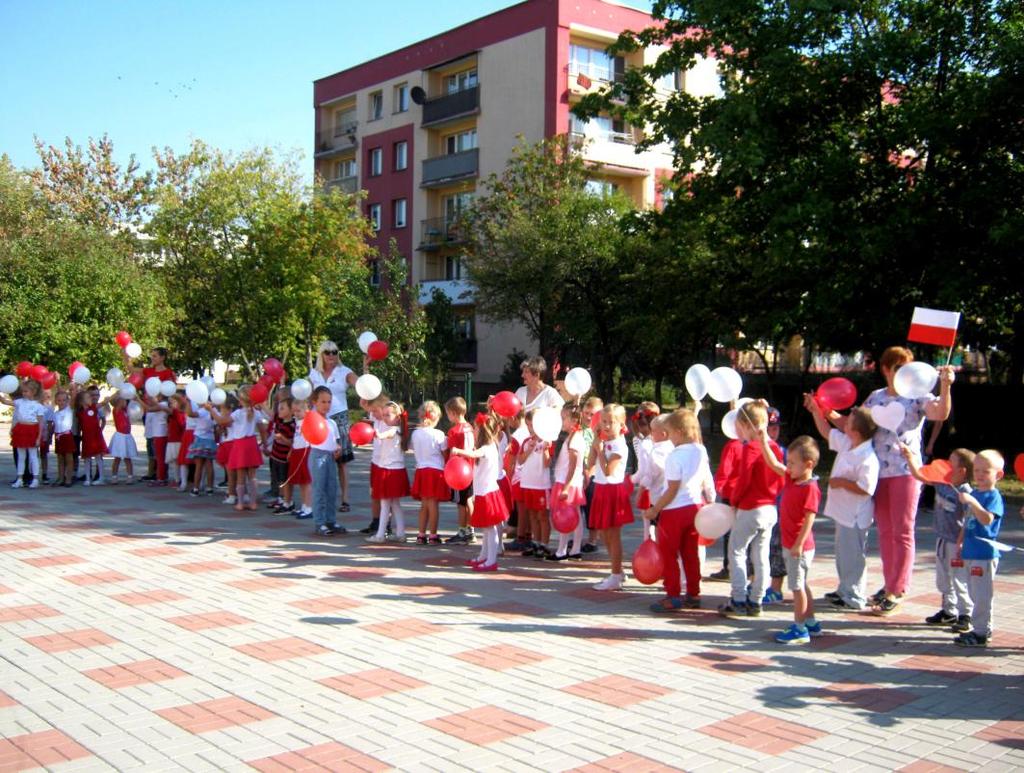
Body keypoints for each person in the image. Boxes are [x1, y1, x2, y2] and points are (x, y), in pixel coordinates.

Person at [851, 347, 954, 614]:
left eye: (907, 367)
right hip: (878, 473)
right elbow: (855, 424)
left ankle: (898, 588)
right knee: (885, 531)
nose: (902, 373)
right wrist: (823, 412)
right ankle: (889, 585)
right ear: (886, 369)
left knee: (903, 531)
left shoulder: (918, 397)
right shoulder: (876, 397)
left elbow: (940, 413)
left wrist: (945, 386)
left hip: (906, 473)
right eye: (897, 368)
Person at [806, 401, 880, 611]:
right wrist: (816, 412)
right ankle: (844, 589)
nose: (845, 423)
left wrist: (841, 483)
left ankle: (855, 595)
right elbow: (827, 432)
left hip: (856, 514)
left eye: (850, 421)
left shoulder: (867, 457)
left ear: (856, 430)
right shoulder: (849, 443)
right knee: (843, 552)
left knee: (854, 554)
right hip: (843, 511)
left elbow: (867, 488)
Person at [755, 432, 823, 644]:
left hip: (798, 547)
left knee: (796, 588)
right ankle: (811, 622)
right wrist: (763, 441)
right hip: (791, 545)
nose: (789, 466)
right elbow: (773, 463)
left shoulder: (810, 487)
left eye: (793, 463)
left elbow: (809, 519)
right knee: (802, 584)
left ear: (809, 464)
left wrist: (798, 544)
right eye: (789, 462)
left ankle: (800, 628)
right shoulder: (792, 479)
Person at [645, 409, 715, 611]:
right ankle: (693, 593)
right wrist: (711, 499)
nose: (669, 439)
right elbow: (706, 478)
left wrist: (655, 509)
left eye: (670, 433)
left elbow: (672, 489)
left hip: (673, 511)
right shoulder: (701, 451)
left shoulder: (674, 456)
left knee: (668, 554)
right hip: (694, 508)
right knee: (690, 553)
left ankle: (673, 595)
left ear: (678, 431)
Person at [718, 402, 783, 619]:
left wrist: (734, 500)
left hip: (750, 507)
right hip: (770, 507)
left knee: (736, 551)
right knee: (761, 555)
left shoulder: (751, 448)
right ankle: (756, 601)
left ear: (746, 425)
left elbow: (744, 479)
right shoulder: (773, 447)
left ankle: (737, 599)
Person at [902, 446, 975, 630]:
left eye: (951, 463)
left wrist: (961, 542)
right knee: (943, 578)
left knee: (959, 578)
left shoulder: (965, 493)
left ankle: (966, 614)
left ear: (961, 471)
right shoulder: (943, 482)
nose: (945, 465)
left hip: (956, 543)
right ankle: (948, 611)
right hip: (942, 539)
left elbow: (969, 520)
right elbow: (920, 476)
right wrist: (910, 457)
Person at [953, 450, 1005, 648]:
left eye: (986, 471)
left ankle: (982, 632)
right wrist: (960, 541)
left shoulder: (993, 496)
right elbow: (968, 520)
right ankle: (979, 628)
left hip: (984, 554)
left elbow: (986, 519)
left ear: (998, 475)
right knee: (974, 592)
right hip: (970, 551)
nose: (980, 475)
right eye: (977, 470)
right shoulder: (974, 493)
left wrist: (973, 502)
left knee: (982, 594)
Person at [307, 340, 364, 515]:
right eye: (328, 352)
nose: (331, 355)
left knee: (341, 461)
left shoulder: (343, 371)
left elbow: (360, 384)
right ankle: (319, 498)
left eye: (335, 352)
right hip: (319, 419)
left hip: (339, 417)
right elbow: (308, 396)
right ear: (321, 354)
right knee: (321, 458)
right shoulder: (314, 374)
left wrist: (365, 368)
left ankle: (345, 499)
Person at [451, 412, 509, 572]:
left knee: (490, 529)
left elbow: (473, 454)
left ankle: (491, 561)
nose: (473, 431)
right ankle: (484, 556)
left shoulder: (488, 448)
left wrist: (458, 451)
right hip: (484, 493)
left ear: (482, 431)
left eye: (475, 428)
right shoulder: (487, 447)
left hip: (489, 494)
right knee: (487, 529)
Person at [587, 404, 634, 590]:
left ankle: (615, 577)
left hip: (612, 490)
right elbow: (590, 463)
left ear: (621, 423)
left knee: (613, 535)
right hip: (601, 488)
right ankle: (618, 571)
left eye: (611, 422)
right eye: (603, 421)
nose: (606, 426)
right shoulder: (604, 440)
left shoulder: (619, 445)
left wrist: (600, 451)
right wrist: (595, 444)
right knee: (604, 533)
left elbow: (608, 470)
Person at [366, 401, 410, 544]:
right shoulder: (397, 429)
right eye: (383, 414)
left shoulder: (394, 429)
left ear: (397, 417)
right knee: (394, 504)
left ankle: (380, 535)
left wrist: (378, 434)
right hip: (393, 470)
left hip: (391, 471)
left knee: (386, 503)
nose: (384, 417)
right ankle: (401, 533)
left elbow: (387, 434)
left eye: (388, 415)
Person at [548, 404, 587, 561]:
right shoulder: (573, 437)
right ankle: (573, 549)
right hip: (568, 481)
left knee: (567, 515)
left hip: (567, 482)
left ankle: (563, 550)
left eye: (564, 418)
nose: (561, 421)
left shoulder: (575, 439)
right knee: (574, 515)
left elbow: (572, 466)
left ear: (574, 420)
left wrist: (566, 487)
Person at [708, 430, 745, 582]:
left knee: (729, 533)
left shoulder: (733, 445)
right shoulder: (752, 444)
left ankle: (729, 568)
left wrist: (719, 487)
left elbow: (725, 470)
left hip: (731, 494)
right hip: (745, 495)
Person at [411, 401, 449, 545]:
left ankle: (421, 534)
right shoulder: (439, 434)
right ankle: (433, 534)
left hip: (421, 470)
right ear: (437, 417)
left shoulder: (415, 433)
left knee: (424, 504)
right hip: (435, 471)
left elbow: (413, 449)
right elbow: (445, 453)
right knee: (433, 504)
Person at [309, 386, 345, 536]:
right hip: (317, 456)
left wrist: (338, 448)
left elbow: (335, 440)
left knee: (332, 489)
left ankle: (331, 520)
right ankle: (319, 522)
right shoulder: (312, 420)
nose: (326, 405)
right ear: (315, 402)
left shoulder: (332, 423)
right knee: (319, 490)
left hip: (330, 457)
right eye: (323, 401)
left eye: (329, 402)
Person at [517, 410, 553, 558]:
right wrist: (529, 450)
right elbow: (520, 460)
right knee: (532, 514)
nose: (531, 428)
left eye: (533, 425)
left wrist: (545, 450)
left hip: (541, 484)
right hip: (528, 482)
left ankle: (544, 544)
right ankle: (536, 543)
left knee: (543, 515)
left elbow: (547, 463)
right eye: (528, 425)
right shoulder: (527, 441)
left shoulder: (547, 441)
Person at [1, 379, 46, 488]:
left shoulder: (38, 406)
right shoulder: (19, 402)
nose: (24, 393)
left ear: (33, 391)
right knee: (21, 456)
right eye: (23, 391)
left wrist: (39, 437)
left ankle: (35, 479)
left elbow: (40, 423)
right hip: (21, 429)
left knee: (33, 455)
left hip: (32, 430)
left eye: (26, 391)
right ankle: (20, 478)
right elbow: (5, 401)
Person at [444, 396, 476, 544]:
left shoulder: (454, 431)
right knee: (469, 499)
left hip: (459, 471)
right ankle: (471, 529)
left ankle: (462, 531)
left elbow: (451, 452)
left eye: (448, 413)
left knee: (461, 502)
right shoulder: (471, 427)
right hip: (471, 468)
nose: (448, 416)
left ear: (453, 413)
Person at [579, 396, 604, 554]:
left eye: (592, 414)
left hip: (594, 474)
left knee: (592, 508)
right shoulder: (580, 429)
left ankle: (593, 539)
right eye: (586, 413)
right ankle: (578, 538)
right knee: (580, 507)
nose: (589, 417)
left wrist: (590, 472)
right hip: (580, 471)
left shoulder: (601, 431)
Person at [283, 398, 313, 520]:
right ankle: (304, 505)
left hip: (306, 451)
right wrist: (291, 450)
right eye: (294, 411)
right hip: (297, 450)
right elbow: (296, 438)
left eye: (299, 411)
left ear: (307, 410)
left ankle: (309, 507)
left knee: (306, 481)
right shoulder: (298, 422)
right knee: (301, 481)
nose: (296, 414)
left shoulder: (308, 421)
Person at [74, 384, 108, 486]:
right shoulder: (79, 412)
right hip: (87, 438)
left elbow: (104, 403)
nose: (91, 398)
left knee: (98, 457)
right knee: (87, 458)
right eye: (89, 397)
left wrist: (115, 395)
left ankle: (101, 477)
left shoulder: (93, 408)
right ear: (82, 401)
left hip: (96, 437)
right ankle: (88, 478)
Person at [268, 399, 296, 512]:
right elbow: (271, 414)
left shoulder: (291, 426)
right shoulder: (279, 420)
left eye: (282, 408)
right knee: (279, 479)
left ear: (291, 411)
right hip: (275, 456)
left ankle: (287, 501)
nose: (279, 410)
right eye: (279, 408)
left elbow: (292, 443)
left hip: (284, 458)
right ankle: (281, 498)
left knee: (285, 480)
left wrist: (283, 438)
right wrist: (261, 405)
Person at [184, 397, 217, 496]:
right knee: (209, 465)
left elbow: (190, 414)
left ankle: (196, 488)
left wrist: (189, 402)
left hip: (200, 439)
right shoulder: (214, 411)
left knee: (199, 466)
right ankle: (210, 488)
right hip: (210, 439)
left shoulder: (202, 411)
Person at [106, 397, 138, 484]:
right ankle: (114, 476)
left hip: (127, 436)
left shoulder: (125, 410)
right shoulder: (116, 410)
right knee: (117, 458)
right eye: (123, 400)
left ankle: (130, 476)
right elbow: (117, 403)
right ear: (118, 403)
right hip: (120, 437)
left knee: (128, 458)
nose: (125, 402)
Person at [142, 393, 170, 487]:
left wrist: (138, 399)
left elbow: (149, 409)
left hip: (160, 434)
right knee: (161, 457)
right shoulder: (163, 405)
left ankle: (161, 478)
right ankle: (163, 476)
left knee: (160, 458)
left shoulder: (162, 405)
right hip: (160, 433)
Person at [51, 388, 75, 487]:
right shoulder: (55, 413)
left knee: (69, 458)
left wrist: (74, 387)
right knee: (60, 458)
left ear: (67, 401)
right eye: (59, 400)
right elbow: (53, 426)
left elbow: (73, 397)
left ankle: (68, 478)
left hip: (67, 435)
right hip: (58, 436)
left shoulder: (69, 410)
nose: (61, 402)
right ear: (56, 401)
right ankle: (61, 478)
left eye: (64, 400)